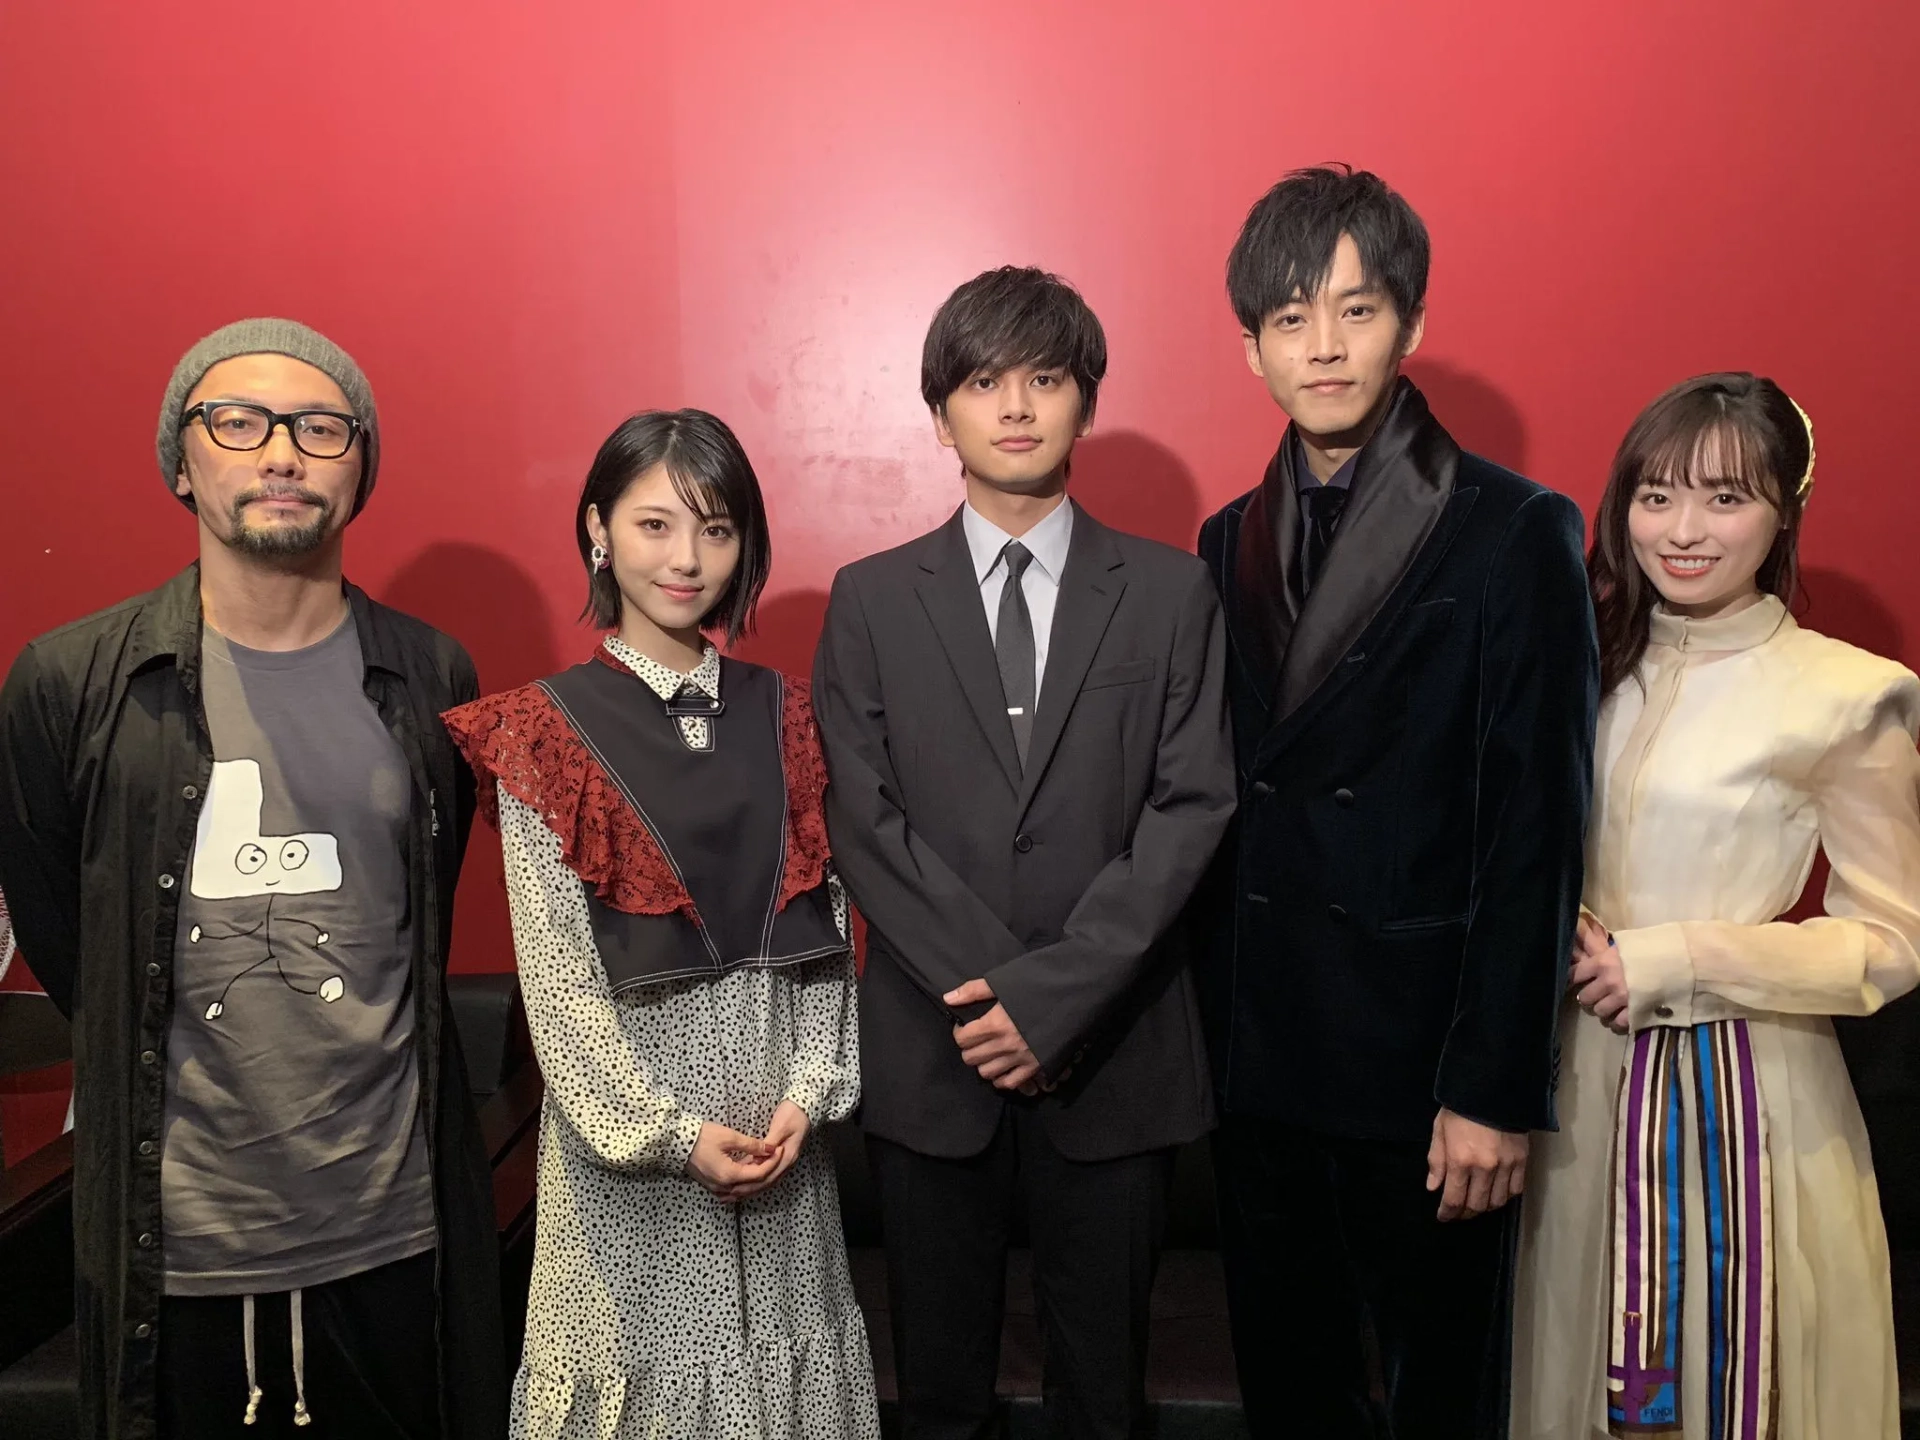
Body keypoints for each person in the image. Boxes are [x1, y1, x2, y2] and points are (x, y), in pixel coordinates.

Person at [0, 319, 504, 1439]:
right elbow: (64, 929)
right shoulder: (74, 682)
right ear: (184, 461)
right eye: (239, 421)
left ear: (359, 467)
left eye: (321, 428)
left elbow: (421, 910)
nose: (282, 451)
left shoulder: (432, 675)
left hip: (390, 1231)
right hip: (175, 1242)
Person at [1193, 166, 1599, 1439]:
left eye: (1357, 311)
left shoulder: (1515, 528)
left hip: (1427, 1074)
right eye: (1291, 317)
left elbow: (1538, 825)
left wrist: (1493, 1087)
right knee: (1292, 1397)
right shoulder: (1222, 539)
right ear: (1250, 345)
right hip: (1264, 1062)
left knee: (1442, 1405)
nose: (1324, 344)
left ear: (1411, 325)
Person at [814, 265, 1237, 1440]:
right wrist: (998, 996)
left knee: (1105, 1393)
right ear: (939, 407)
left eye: (1045, 379)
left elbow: (1192, 806)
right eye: (985, 381)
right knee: (939, 1392)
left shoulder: (1169, 592)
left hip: (1116, 1055)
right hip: (935, 1056)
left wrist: (1053, 1001)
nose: (1015, 406)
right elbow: (864, 822)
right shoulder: (871, 600)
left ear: (1084, 404)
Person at [443, 409, 879, 1440]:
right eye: (654, 525)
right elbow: (554, 978)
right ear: (598, 528)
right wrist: (669, 1138)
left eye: (717, 529)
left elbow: (832, 926)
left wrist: (811, 1095)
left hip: (781, 1140)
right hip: (627, 1166)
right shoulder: (541, 731)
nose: (688, 559)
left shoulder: (794, 716)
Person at [1511, 374, 1920, 1439]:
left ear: (1785, 511)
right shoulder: (1583, 663)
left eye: (1726, 498)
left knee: (1735, 1382)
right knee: (1576, 1362)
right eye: (1656, 495)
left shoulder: (1844, 692)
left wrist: (1680, 956)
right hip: (1581, 1105)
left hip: (1753, 1108)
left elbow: (1893, 938)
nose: (1683, 531)